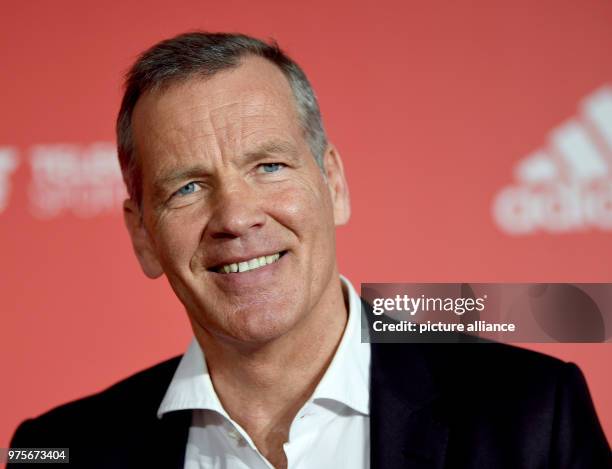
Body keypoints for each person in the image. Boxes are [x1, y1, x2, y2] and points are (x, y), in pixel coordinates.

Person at [8, 32, 611, 469]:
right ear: (142, 234)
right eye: (187, 187)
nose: (237, 217)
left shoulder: (532, 415)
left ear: (335, 185)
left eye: (269, 166)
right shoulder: (55, 449)